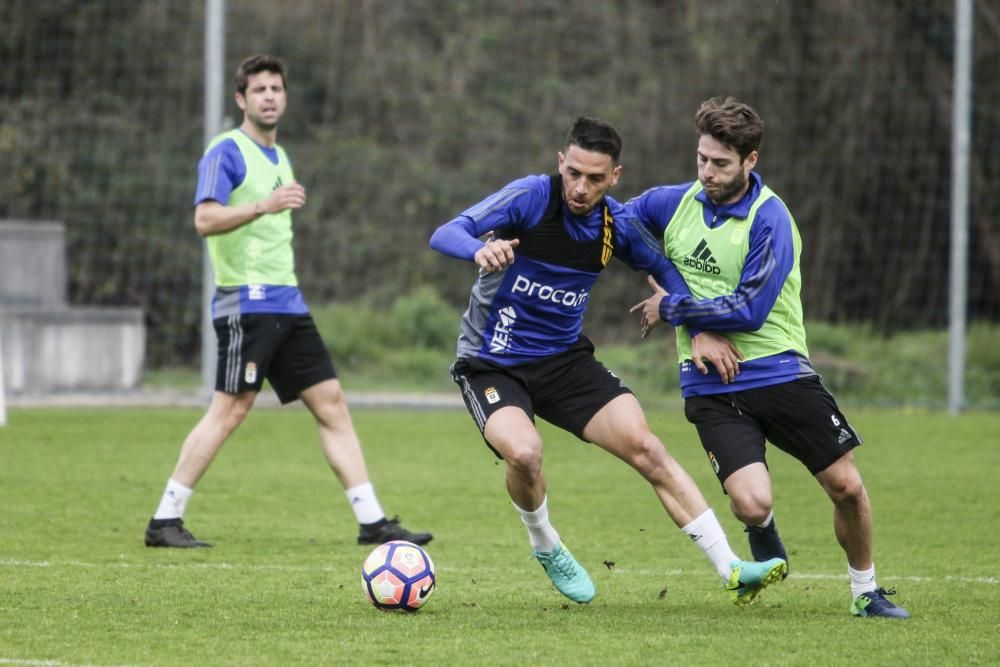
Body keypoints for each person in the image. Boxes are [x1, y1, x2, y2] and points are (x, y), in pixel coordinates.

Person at [429, 116, 786, 605]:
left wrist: (699, 329)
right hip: (492, 362)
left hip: (565, 363)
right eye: (574, 173)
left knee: (647, 447)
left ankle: (731, 567)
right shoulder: (532, 196)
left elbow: (661, 266)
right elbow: (447, 231)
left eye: (595, 178)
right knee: (526, 453)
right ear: (561, 163)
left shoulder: (615, 224)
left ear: (615, 176)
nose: (580, 187)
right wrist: (479, 251)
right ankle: (546, 543)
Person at [628, 97, 909, 619]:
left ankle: (865, 592)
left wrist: (674, 307)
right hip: (709, 380)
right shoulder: (671, 203)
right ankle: (763, 533)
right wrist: (692, 324)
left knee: (846, 486)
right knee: (752, 504)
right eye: (701, 159)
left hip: (778, 370)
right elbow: (618, 229)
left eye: (720, 163)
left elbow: (751, 310)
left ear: (750, 161)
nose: (707, 173)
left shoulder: (770, 219)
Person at [144, 55, 431, 549]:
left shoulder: (281, 157)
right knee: (230, 410)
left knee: (332, 405)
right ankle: (164, 520)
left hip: (288, 304)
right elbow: (205, 219)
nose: (270, 96)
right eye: (259, 90)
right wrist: (262, 205)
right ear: (242, 99)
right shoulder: (226, 151)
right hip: (247, 304)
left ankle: (372, 521)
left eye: (276, 88)